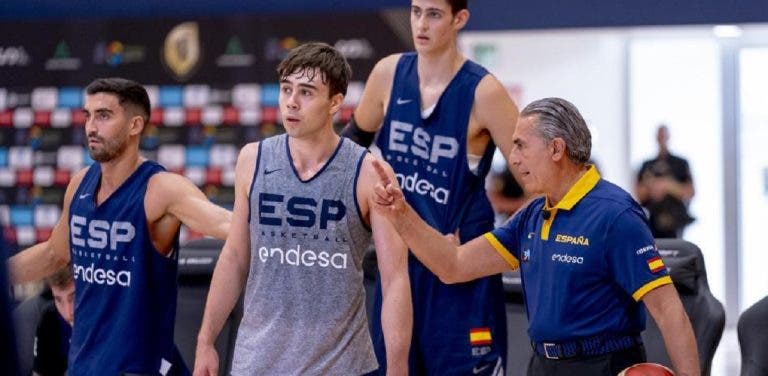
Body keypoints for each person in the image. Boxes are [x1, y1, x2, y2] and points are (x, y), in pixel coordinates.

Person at [371, 97, 701, 376]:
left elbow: (669, 311)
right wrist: (400, 213)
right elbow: (453, 266)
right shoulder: (532, 215)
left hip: (602, 365)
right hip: (542, 365)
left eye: (520, 146)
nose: (512, 158)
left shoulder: (615, 216)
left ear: (556, 148)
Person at [193, 42, 411, 375]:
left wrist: (398, 367)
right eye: (286, 89)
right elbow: (235, 256)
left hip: (341, 365)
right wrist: (206, 339)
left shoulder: (367, 172)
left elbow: (394, 276)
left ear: (335, 102)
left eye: (307, 92)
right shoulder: (253, 160)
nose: (292, 102)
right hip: (257, 363)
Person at [7, 77, 232, 376]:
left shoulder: (160, 188)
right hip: (84, 366)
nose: (90, 127)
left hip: (139, 367)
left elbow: (226, 224)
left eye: (103, 115)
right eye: (88, 115)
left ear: (135, 125)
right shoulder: (80, 184)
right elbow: (53, 254)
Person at [341, 0, 519, 373]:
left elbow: (536, 177)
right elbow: (347, 155)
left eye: (434, 14)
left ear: (459, 19)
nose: (421, 23)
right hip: (398, 267)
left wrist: (507, 246)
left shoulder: (484, 92)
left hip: (458, 269)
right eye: (415, 11)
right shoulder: (388, 74)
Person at [635, 124, 695, 238]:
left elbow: (690, 192)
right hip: (652, 222)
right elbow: (638, 193)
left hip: (676, 222)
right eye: (660, 135)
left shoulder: (680, 164)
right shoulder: (647, 165)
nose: (662, 138)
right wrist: (653, 188)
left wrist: (667, 185)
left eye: (664, 135)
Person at [32, 264, 75, 376]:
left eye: (73, 298)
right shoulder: (49, 318)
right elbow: (39, 372)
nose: (68, 313)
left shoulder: (107, 320)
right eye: (58, 300)